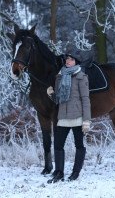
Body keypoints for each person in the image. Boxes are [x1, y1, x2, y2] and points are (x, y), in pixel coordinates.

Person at [46, 54, 91, 183]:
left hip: (77, 117)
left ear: (76, 61)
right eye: (67, 59)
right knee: (58, 145)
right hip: (63, 117)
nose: (68, 61)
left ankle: (75, 172)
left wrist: (86, 120)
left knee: (79, 145)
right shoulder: (60, 76)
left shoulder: (81, 77)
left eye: (71, 59)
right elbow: (59, 99)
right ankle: (59, 173)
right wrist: (52, 94)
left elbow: (86, 99)